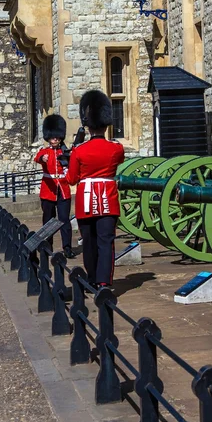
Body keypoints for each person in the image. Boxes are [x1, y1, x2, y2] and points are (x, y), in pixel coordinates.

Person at [66, 90, 125, 288]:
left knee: (89, 242)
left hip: (86, 201)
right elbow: (119, 161)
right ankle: (104, 282)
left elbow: (72, 179)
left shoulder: (79, 150)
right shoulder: (116, 148)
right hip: (108, 198)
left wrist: (68, 166)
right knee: (106, 242)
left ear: (89, 126)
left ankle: (92, 278)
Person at [34, 114, 76, 258]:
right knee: (48, 220)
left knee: (64, 219)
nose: (55, 140)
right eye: (53, 137)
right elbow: (38, 157)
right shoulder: (44, 151)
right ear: (48, 137)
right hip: (48, 190)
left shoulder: (65, 152)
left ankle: (67, 247)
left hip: (63, 190)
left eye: (57, 137)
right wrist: (43, 159)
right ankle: (48, 246)